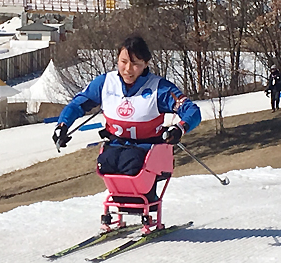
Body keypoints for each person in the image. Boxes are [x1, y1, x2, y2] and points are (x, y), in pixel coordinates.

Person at [53, 35, 201, 201]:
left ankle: (146, 202)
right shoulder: (105, 83)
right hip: (115, 145)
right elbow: (77, 105)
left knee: (130, 163)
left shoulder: (159, 89)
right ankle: (121, 205)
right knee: (107, 163)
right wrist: (62, 125)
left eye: (135, 64)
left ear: (146, 64)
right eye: (123, 62)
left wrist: (179, 128)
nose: (128, 69)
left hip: (147, 149)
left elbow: (192, 111)